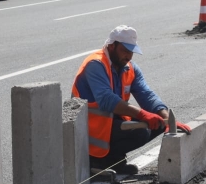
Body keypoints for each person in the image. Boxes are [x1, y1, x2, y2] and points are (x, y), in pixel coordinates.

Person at [72, 25, 191, 175]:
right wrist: (142, 115)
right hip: (90, 127)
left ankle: (114, 161)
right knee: (140, 132)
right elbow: (106, 99)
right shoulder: (95, 64)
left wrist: (168, 120)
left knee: (159, 123)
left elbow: (146, 94)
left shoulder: (130, 68)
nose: (128, 56)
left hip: (109, 123)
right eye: (125, 50)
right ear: (111, 46)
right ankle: (96, 161)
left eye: (131, 52)